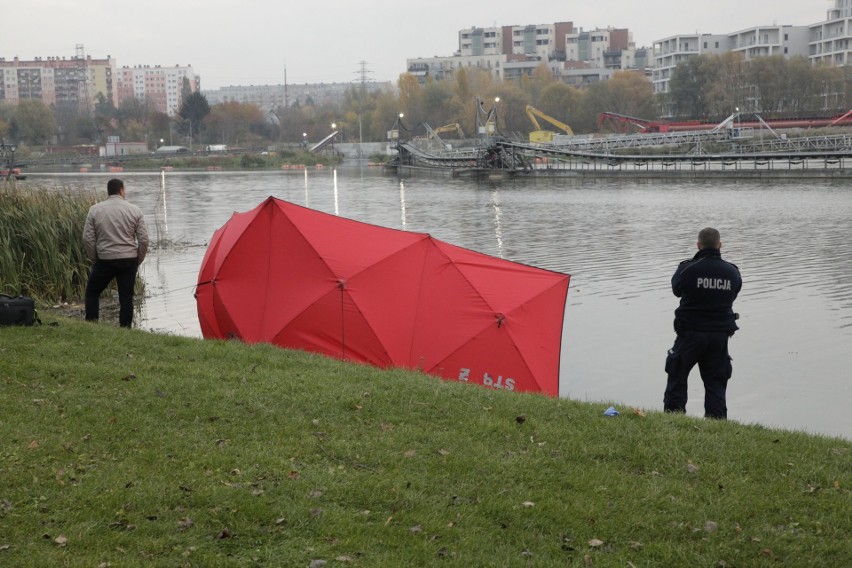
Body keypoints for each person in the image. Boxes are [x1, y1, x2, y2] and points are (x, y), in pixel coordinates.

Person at [664, 227, 742, 419]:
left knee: (677, 376)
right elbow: (734, 292)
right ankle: (716, 422)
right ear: (720, 245)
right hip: (719, 336)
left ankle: (674, 419)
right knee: (716, 381)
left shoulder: (687, 268)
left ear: (698, 245)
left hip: (690, 334)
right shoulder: (732, 272)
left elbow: (677, 290)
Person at [83, 178, 148, 328]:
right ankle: (125, 328)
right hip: (129, 259)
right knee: (126, 297)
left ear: (108, 191)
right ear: (121, 190)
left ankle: (92, 324)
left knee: (92, 292)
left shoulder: (95, 210)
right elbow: (144, 240)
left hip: (105, 259)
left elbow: (87, 238)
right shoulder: (135, 210)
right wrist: (138, 259)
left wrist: (95, 258)